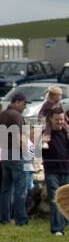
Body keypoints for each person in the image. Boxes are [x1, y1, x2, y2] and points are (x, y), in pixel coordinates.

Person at [41, 107, 69, 234]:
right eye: (56, 119)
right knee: (55, 200)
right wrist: (43, 143)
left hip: (67, 170)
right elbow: (38, 153)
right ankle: (57, 229)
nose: (59, 122)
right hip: (52, 171)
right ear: (51, 119)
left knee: (66, 199)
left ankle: (65, 223)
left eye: (61, 119)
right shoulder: (45, 134)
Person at [0, 91, 30, 226]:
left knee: (6, 189)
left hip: (5, 153)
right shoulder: (17, 116)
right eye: (24, 104)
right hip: (16, 153)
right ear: (17, 102)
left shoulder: (3, 115)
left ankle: (4, 218)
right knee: (20, 188)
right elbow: (20, 136)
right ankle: (21, 219)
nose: (25, 107)